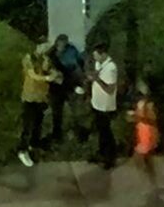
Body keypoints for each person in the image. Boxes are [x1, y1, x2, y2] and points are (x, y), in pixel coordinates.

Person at [16, 41, 59, 167]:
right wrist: (47, 78)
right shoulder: (28, 58)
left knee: (37, 124)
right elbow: (32, 75)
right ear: (38, 46)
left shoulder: (45, 58)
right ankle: (22, 150)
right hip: (30, 96)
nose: (47, 49)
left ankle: (33, 145)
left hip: (41, 97)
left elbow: (49, 70)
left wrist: (53, 73)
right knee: (27, 125)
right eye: (45, 47)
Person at [86, 39, 120, 167]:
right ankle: (101, 153)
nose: (94, 58)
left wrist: (97, 80)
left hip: (105, 106)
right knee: (101, 131)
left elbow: (110, 89)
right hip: (97, 103)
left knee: (106, 132)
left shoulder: (111, 68)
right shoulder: (99, 63)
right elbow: (96, 74)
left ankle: (109, 157)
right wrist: (92, 76)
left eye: (96, 55)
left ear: (103, 54)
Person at [47, 33, 83, 145]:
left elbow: (80, 62)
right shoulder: (51, 54)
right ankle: (57, 135)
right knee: (57, 112)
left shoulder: (72, 50)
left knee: (74, 110)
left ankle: (78, 133)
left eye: (65, 43)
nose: (63, 45)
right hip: (56, 86)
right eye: (61, 43)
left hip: (69, 82)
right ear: (57, 43)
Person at [130, 77, 160, 188]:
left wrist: (136, 117)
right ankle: (152, 182)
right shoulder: (141, 102)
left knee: (140, 158)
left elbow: (151, 120)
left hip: (148, 134)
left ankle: (150, 182)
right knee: (146, 160)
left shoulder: (149, 104)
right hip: (143, 133)